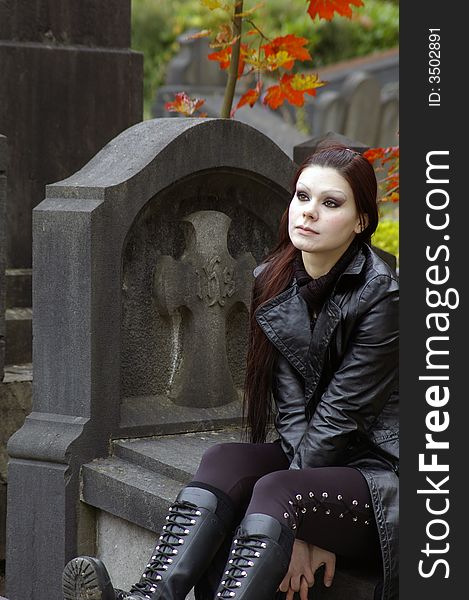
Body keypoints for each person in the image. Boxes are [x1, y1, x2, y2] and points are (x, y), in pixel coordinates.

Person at [62, 143, 399, 600]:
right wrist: (302, 510)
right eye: (302, 197)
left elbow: (342, 417)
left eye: (331, 203)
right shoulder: (272, 279)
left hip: (380, 477)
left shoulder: (383, 296)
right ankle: (150, 596)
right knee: (224, 460)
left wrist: (305, 524)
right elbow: (293, 411)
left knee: (283, 490)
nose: (309, 213)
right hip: (318, 462)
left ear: (361, 221)